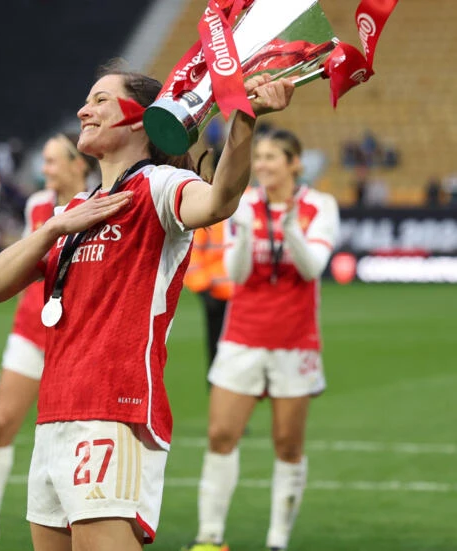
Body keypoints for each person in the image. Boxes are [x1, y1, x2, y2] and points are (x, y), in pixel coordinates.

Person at [0, 60, 295, 551]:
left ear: (141, 118)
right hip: (55, 414)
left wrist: (244, 124)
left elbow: (218, 202)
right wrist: (52, 229)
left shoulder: (159, 187)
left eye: (101, 100)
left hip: (113, 410)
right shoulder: (71, 212)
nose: (85, 110)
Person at [183, 129, 340, 551]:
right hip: (243, 336)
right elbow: (234, 274)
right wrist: (251, 231)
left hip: (295, 340)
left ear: (295, 164)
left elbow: (312, 268)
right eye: (261, 156)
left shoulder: (319, 207)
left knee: (288, 445)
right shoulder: (245, 204)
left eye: (274, 157)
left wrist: (288, 228)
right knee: (220, 435)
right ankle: (209, 536)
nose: (265, 164)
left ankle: (277, 540)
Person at [0, 133, 91, 547]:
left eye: (52, 162)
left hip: (74, 337)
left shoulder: (98, 203)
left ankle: (79, 516)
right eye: (44, 161)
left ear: (78, 164)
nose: (44, 170)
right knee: (1, 423)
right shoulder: (37, 205)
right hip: (31, 328)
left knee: (71, 433)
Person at [182, 152, 234, 384]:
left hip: (248, 295)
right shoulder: (209, 202)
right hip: (218, 294)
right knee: (219, 359)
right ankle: (224, 415)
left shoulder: (250, 199)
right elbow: (193, 254)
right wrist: (204, 290)